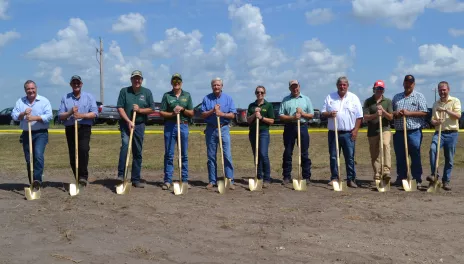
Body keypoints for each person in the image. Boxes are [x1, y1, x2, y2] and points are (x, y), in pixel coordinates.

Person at [11, 80, 53, 191]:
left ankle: (37, 180)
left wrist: (35, 118)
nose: (31, 91)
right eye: (28, 89)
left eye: (32, 88)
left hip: (41, 133)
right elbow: (14, 116)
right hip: (26, 134)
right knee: (29, 158)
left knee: (38, 155)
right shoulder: (20, 102)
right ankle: (32, 182)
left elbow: (49, 116)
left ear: (36, 88)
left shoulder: (44, 101)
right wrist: (23, 114)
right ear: (25, 90)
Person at [321, 76, 363, 188]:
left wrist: (355, 130)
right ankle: (334, 178)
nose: (342, 86)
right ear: (337, 86)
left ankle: (351, 179)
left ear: (347, 86)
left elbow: (359, 117)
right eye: (340, 84)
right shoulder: (330, 97)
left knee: (350, 157)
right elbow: (323, 112)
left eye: (344, 84)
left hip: (349, 133)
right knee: (334, 156)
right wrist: (329, 114)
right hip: (333, 133)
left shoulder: (354, 98)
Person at [116, 70, 154, 188]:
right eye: (134, 78)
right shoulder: (124, 91)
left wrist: (140, 110)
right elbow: (120, 108)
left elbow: (151, 109)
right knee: (125, 146)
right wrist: (128, 121)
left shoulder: (147, 92)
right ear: (131, 80)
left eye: (139, 78)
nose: (137, 80)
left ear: (142, 80)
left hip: (139, 125)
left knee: (137, 151)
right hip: (126, 124)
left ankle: (135, 179)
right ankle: (121, 175)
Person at [58, 75, 98, 187]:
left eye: (78, 83)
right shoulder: (65, 98)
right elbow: (60, 116)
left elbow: (94, 113)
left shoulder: (89, 97)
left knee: (83, 150)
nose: (76, 85)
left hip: (84, 127)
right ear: (71, 85)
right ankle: (77, 176)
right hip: (70, 128)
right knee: (73, 153)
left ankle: (83, 177)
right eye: (74, 83)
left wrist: (81, 115)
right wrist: (70, 112)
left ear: (81, 84)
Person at [200, 77, 237, 190]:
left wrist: (221, 114)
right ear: (212, 86)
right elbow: (202, 114)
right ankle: (212, 180)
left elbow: (232, 115)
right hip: (211, 129)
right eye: (214, 85)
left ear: (222, 86)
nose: (216, 87)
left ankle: (229, 179)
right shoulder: (207, 99)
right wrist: (212, 111)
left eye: (218, 85)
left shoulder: (228, 99)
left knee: (227, 155)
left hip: (224, 128)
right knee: (211, 156)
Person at [392, 74, 428, 188]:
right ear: (403, 83)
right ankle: (401, 178)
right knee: (400, 156)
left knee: (415, 155)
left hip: (414, 132)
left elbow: (424, 112)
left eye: (410, 83)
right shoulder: (397, 97)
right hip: (399, 132)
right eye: (406, 82)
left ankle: (417, 178)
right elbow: (391, 113)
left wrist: (409, 113)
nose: (408, 84)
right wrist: (396, 114)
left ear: (414, 84)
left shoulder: (419, 96)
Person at [159, 73, 194, 190]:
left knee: (184, 154)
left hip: (183, 126)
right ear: (171, 83)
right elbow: (161, 112)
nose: (176, 83)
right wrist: (173, 114)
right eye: (174, 81)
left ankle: (184, 180)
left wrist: (183, 109)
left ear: (181, 83)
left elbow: (192, 113)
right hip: (170, 126)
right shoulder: (167, 96)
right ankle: (167, 180)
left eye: (178, 81)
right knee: (169, 154)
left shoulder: (187, 96)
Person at [278, 80, 314, 185]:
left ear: (299, 86)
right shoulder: (285, 100)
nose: (295, 89)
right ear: (290, 88)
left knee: (304, 153)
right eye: (292, 87)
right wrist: (293, 117)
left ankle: (306, 177)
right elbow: (281, 115)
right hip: (289, 127)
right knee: (288, 152)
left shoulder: (306, 99)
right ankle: (286, 176)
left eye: (296, 86)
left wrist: (302, 113)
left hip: (302, 127)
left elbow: (311, 115)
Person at [428, 81, 461, 191]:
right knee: (433, 149)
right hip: (439, 133)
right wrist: (435, 122)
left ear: (448, 89)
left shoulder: (455, 101)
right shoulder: (435, 104)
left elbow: (458, 115)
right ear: (438, 91)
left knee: (449, 159)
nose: (442, 92)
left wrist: (446, 110)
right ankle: (434, 175)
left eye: (444, 89)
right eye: (440, 90)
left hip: (452, 133)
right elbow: (432, 119)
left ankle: (445, 181)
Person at [362, 80, 393, 182]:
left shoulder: (388, 101)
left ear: (383, 90)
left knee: (385, 144)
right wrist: (376, 115)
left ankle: (386, 170)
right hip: (372, 131)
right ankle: (377, 173)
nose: (379, 90)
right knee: (374, 152)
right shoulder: (368, 101)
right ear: (374, 89)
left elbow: (391, 117)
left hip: (385, 129)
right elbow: (365, 117)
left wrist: (383, 112)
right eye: (377, 88)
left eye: (381, 89)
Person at [246, 85, 275, 188]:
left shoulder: (268, 105)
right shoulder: (251, 106)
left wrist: (261, 117)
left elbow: (272, 120)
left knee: (263, 154)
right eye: (258, 92)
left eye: (262, 92)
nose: (260, 94)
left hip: (263, 132)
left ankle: (267, 178)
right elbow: (248, 120)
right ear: (255, 93)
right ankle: (259, 177)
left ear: (264, 94)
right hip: (253, 132)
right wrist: (255, 114)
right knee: (256, 154)